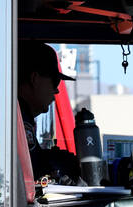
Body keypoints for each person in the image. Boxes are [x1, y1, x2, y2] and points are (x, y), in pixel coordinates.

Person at [18, 42, 79, 184]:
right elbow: (33, 169)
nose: (57, 90)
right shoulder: (19, 116)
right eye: (55, 82)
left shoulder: (19, 113)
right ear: (35, 79)